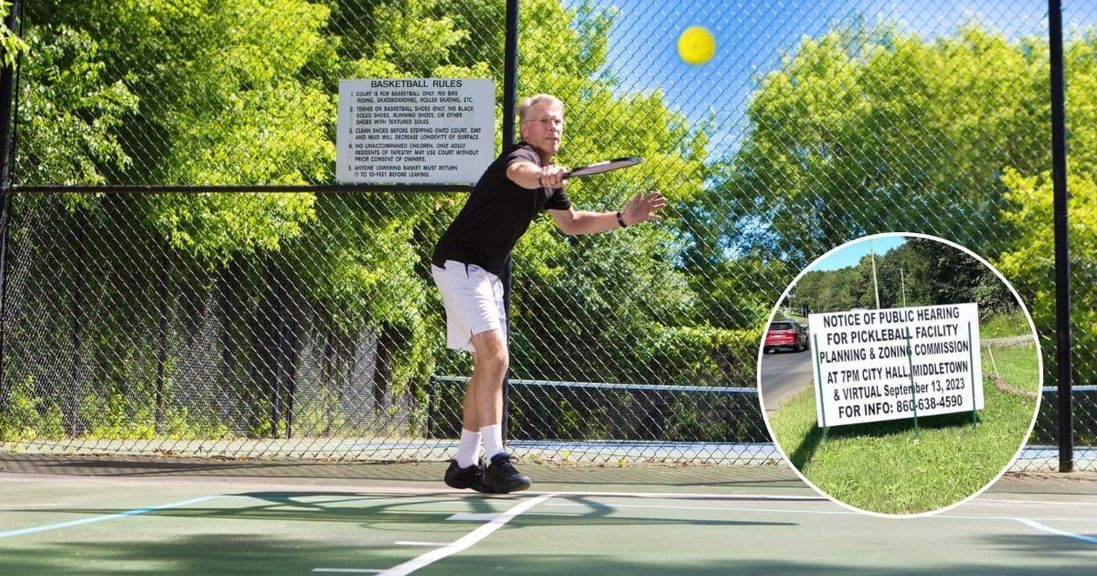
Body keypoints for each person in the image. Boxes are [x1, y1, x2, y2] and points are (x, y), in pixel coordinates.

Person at [431, 94, 666, 493]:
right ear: (525, 129)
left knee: (486, 365)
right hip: (459, 264)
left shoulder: (553, 181)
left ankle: (464, 463)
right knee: (496, 357)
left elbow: (571, 224)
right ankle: (498, 459)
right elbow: (520, 173)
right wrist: (542, 175)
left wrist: (623, 219)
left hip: (485, 274)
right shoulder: (520, 157)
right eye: (543, 121)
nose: (553, 127)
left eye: (558, 121)